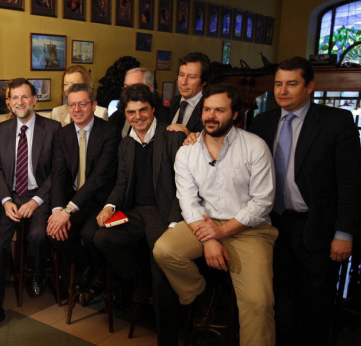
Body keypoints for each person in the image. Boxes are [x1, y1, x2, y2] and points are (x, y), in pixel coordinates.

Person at [153, 83, 277, 346]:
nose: (210, 116)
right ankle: (199, 292)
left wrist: (222, 232)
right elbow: (187, 199)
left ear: (234, 114)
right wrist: (209, 238)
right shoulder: (187, 151)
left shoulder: (255, 147)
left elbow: (262, 202)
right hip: (204, 223)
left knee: (258, 303)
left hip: (248, 229)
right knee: (164, 250)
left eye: (219, 110)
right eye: (207, 109)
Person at [249, 57, 361, 346]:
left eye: (291, 84)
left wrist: (344, 232)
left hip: (316, 226)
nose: (282, 91)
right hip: (272, 224)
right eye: (278, 84)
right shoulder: (263, 122)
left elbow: (350, 183)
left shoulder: (336, 122)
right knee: (280, 296)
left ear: (310, 86)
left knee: (314, 303)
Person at [93, 84, 185, 346]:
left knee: (160, 255)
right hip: (134, 213)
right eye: (131, 112)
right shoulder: (125, 144)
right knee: (102, 237)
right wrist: (109, 206)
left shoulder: (172, 138)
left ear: (153, 109)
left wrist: (175, 222)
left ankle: (167, 335)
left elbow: (184, 187)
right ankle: (139, 277)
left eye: (143, 110)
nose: (137, 116)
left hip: (162, 213)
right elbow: (121, 184)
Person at [0, 78, 61, 334]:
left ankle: (38, 274)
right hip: (12, 197)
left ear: (35, 99)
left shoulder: (53, 128)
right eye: (14, 98)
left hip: (40, 195)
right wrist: (5, 201)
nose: (20, 102)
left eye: (25, 97)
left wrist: (36, 201)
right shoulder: (2, 130)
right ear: (8, 103)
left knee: (38, 236)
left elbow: (57, 173)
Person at [47, 83, 120, 301]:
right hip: (75, 200)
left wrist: (68, 210)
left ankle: (97, 275)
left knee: (90, 235)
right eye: (72, 105)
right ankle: (85, 268)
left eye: (82, 104)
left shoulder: (109, 132)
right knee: (55, 233)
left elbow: (99, 178)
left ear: (94, 105)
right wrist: (58, 209)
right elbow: (58, 174)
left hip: (101, 200)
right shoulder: (63, 134)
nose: (77, 109)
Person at [164, 52, 209, 135]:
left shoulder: (209, 107)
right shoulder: (175, 101)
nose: (183, 82)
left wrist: (188, 134)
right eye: (181, 75)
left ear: (204, 82)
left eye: (191, 77)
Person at [108, 67, 155, 136]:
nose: (129, 91)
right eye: (126, 87)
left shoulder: (165, 117)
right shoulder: (116, 117)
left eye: (135, 86)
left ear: (150, 88)